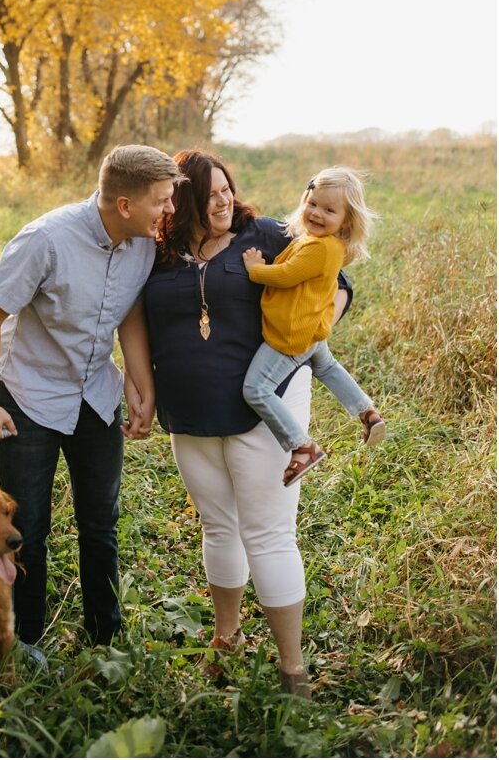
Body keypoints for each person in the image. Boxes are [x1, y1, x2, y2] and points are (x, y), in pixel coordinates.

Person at [132, 149, 353, 698]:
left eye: (227, 188)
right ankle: (225, 638)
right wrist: (143, 389)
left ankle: (292, 669)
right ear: (182, 202)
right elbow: (131, 318)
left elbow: (339, 282)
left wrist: (308, 340)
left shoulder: (271, 234)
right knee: (217, 528)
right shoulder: (156, 253)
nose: (224, 199)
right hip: (189, 412)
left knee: (269, 534)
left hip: (265, 410)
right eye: (210, 194)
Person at [0, 144, 178, 663]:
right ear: (125, 204)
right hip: (30, 397)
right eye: (161, 201)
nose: (169, 210)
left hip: (96, 396)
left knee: (101, 521)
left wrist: (136, 377)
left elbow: (128, 312)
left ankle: (105, 635)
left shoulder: (143, 243)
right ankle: (23, 641)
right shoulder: (45, 240)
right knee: (27, 532)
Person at [239, 166, 386, 484]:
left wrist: (255, 269)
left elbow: (286, 275)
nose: (317, 213)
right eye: (313, 203)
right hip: (311, 327)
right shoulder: (324, 243)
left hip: (291, 335)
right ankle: (367, 412)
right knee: (327, 367)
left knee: (256, 389)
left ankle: (301, 447)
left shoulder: (319, 248)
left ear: (346, 220)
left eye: (329, 210)